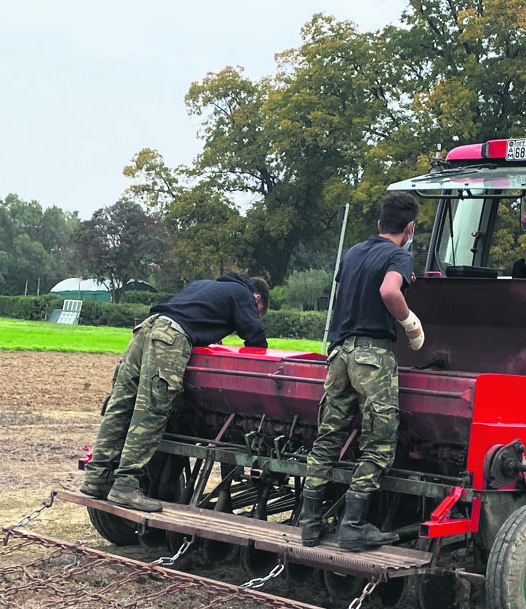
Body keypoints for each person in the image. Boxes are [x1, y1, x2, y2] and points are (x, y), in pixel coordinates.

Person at [81, 273, 270, 511]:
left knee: (121, 405)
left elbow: (193, 317)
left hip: (146, 329)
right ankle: (125, 485)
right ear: (257, 298)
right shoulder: (243, 294)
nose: (254, 313)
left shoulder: (204, 285)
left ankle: (96, 478)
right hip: (170, 339)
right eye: (257, 310)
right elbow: (254, 337)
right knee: (152, 410)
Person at [300, 192, 424, 552]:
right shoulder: (399, 255)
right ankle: (353, 525)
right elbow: (389, 290)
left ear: (379, 223)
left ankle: (310, 523)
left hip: (339, 354)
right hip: (372, 357)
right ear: (410, 228)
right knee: (379, 443)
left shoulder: (353, 253)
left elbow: (343, 295)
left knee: (328, 438)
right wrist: (411, 324)